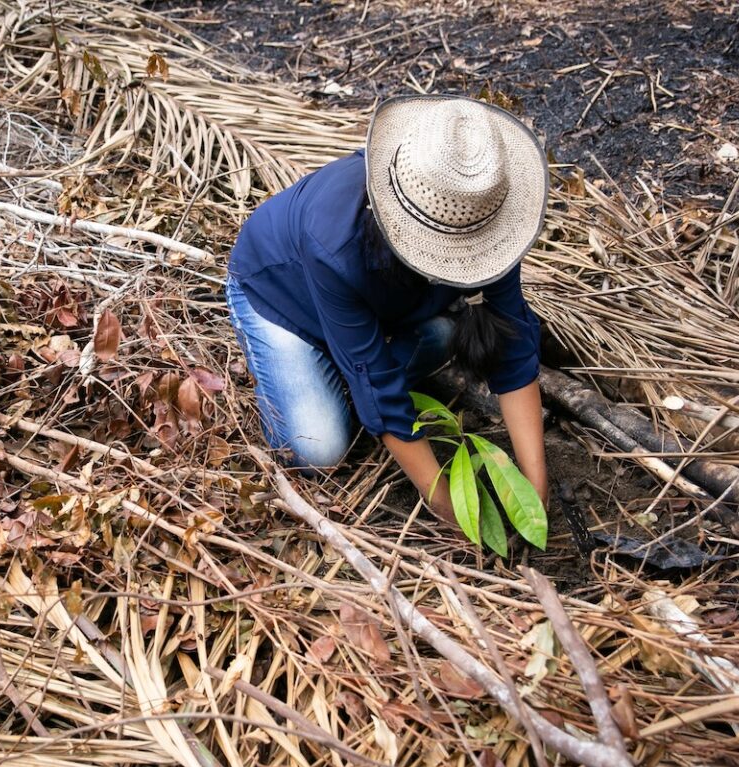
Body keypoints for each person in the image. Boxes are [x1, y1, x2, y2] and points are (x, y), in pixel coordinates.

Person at [226, 94, 548, 523]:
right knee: (317, 449)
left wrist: (536, 488)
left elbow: (513, 347)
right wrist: (447, 508)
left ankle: (341, 366)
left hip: (377, 307)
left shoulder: (479, 213)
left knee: (454, 336)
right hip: (280, 296)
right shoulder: (334, 244)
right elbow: (379, 388)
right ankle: (328, 365)